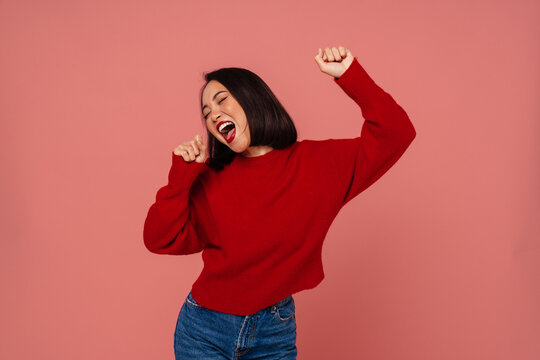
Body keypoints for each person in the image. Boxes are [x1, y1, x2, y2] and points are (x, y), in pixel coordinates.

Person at [143, 46, 416, 359]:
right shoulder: (208, 179)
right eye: (207, 114)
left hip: (274, 331)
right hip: (204, 329)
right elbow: (159, 239)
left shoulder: (320, 165)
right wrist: (180, 178)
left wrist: (351, 76)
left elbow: (396, 133)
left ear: (253, 99)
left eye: (221, 101)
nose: (214, 115)